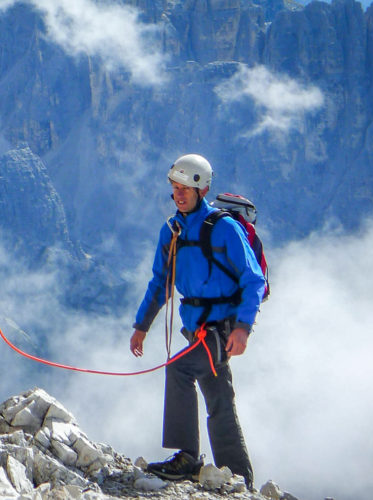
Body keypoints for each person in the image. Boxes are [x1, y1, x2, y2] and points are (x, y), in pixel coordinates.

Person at [129, 154, 265, 488]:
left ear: (202, 189)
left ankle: (188, 458)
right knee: (219, 399)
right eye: (174, 188)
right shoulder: (172, 231)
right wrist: (142, 325)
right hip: (196, 330)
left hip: (220, 330)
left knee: (179, 369)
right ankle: (239, 480)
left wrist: (243, 328)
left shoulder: (225, 228)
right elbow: (160, 283)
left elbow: (254, 279)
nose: (178, 194)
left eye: (185, 189)